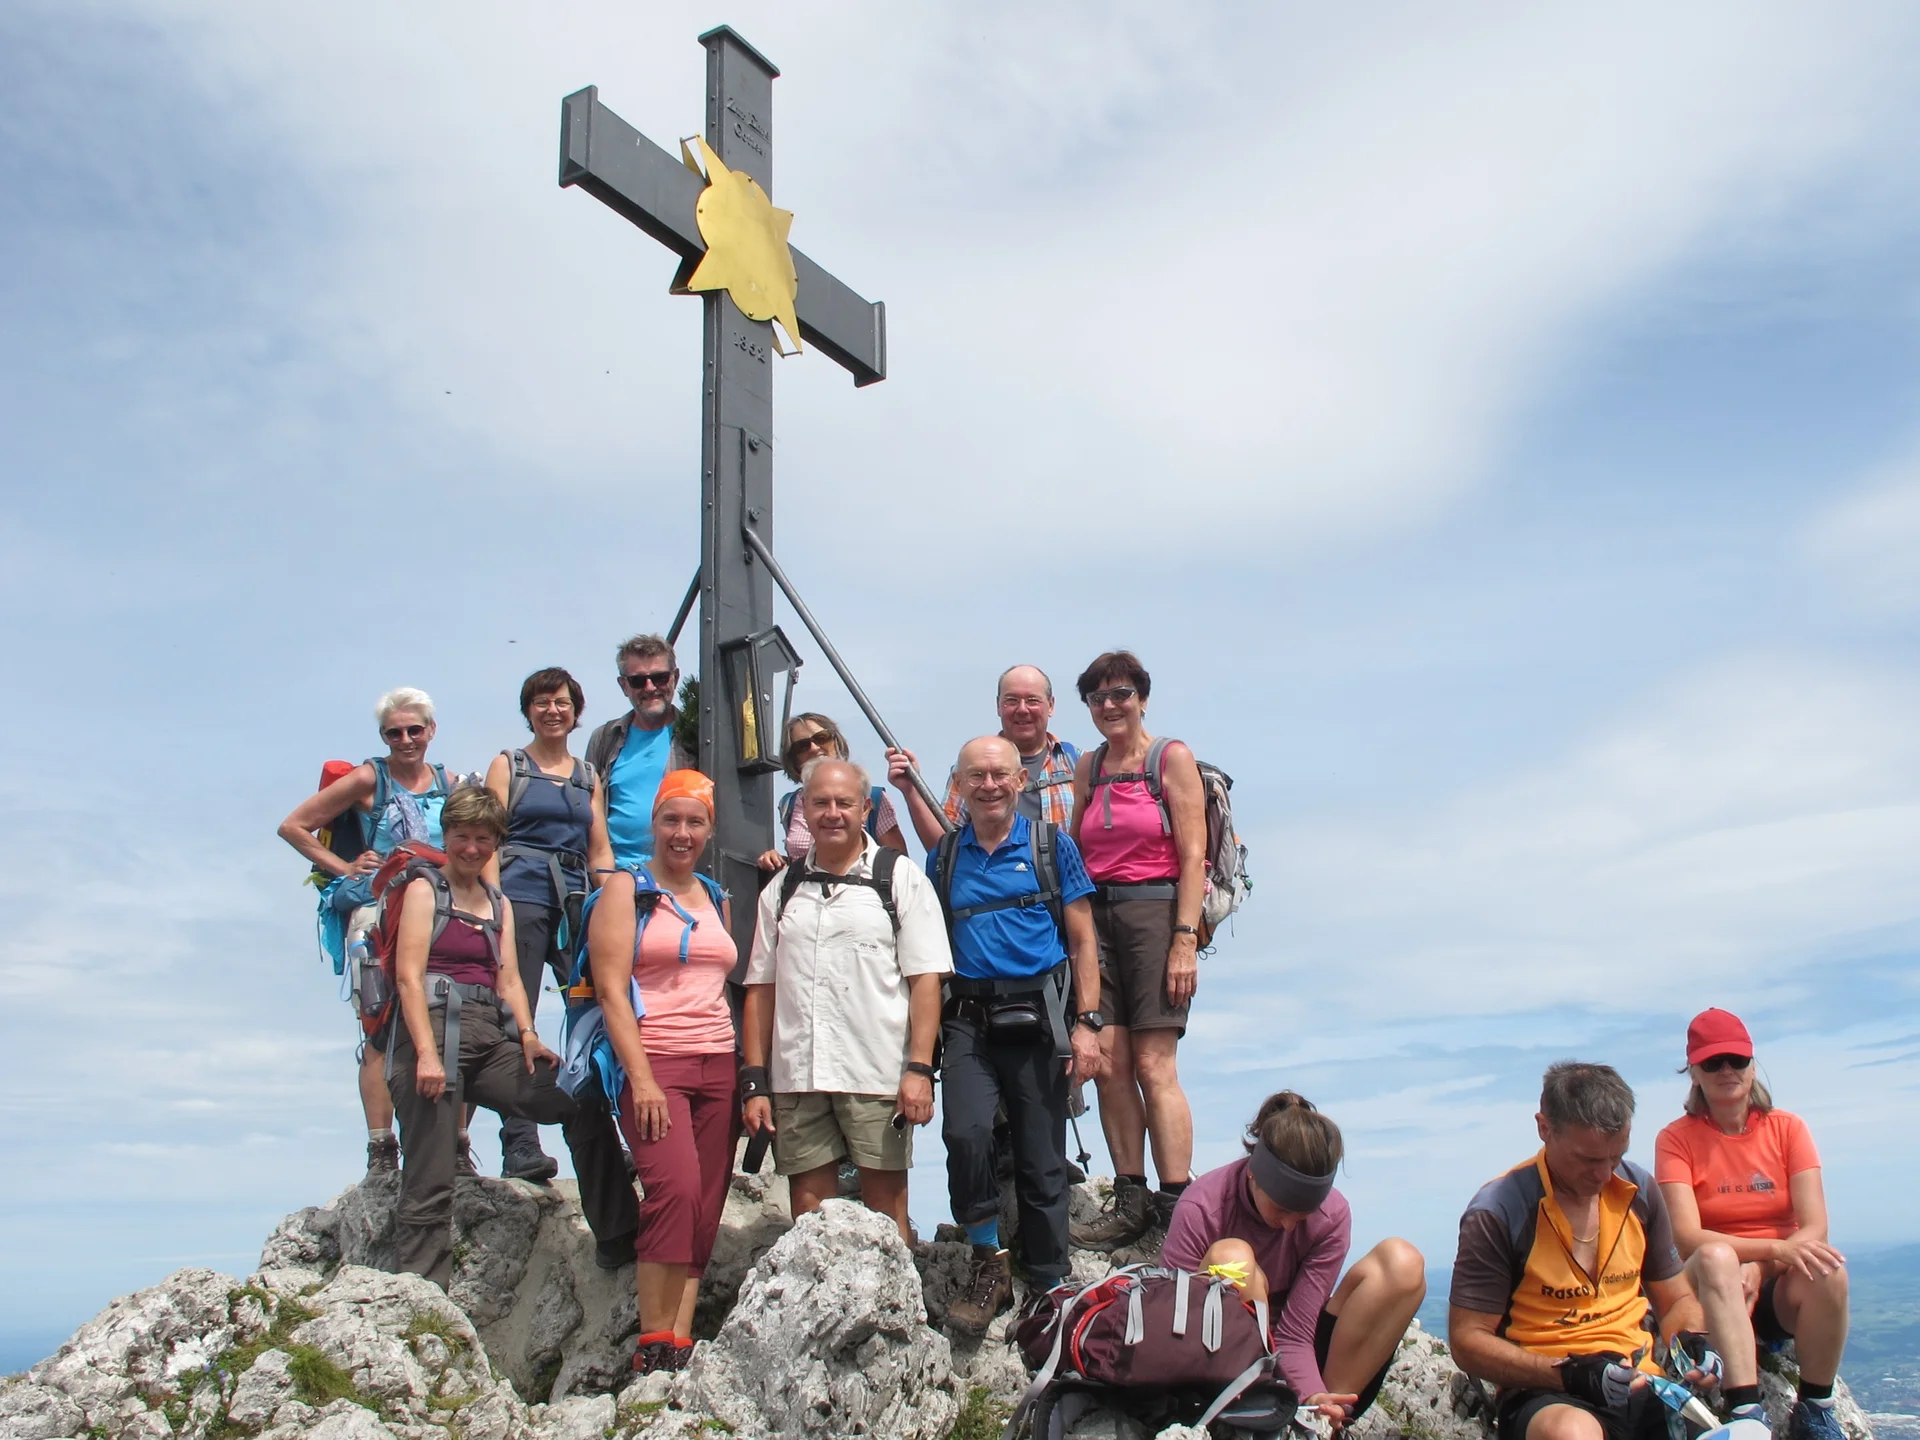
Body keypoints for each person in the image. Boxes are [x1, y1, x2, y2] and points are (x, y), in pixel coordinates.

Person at [1450, 1062, 1742, 1440]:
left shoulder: (1639, 1191)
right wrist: (1566, 1374)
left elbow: (1675, 1300)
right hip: (1548, 1391)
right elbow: (1467, 1340)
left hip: (1643, 1383)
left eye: (1616, 1156)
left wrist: (1691, 1339)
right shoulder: (1500, 1209)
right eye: (1588, 1159)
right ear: (1544, 1128)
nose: (1604, 1175)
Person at [930, 736, 1106, 1335]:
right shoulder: (945, 857)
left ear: (1021, 782)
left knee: (1040, 1155)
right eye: (975, 775)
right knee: (967, 1132)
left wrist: (1088, 1024)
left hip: (1040, 1017)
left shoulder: (1052, 847)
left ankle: (1050, 1282)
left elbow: (1083, 940)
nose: (988, 785)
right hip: (968, 1021)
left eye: (1000, 774)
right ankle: (988, 1262)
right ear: (958, 785)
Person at [741, 758, 952, 1244]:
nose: (831, 814)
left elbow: (926, 981)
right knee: (809, 1218)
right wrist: (755, 1080)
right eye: (819, 803)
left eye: (843, 803)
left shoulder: (898, 878)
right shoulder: (782, 888)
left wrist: (919, 1071)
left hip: (876, 1072)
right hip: (799, 1073)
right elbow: (761, 988)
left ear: (864, 809)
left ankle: (894, 1315)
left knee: (886, 1215)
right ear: (802, 809)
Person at [384, 786, 580, 1290]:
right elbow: (408, 976)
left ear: (496, 843)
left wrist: (530, 1037)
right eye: (462, 837)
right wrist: (426, 1054)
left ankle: (612, 1220)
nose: (472, 848)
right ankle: (422, 1296)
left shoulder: (498, 902)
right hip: (431, 1030)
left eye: (483, 839)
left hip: (489, 1033)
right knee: (430, 1174)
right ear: (446, 836)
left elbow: (510, 978)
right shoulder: (426, 889)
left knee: (568, 1099)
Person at [587, 771, 739, 1376]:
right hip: (656, 1062)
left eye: (694, 821)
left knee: (704, 1202)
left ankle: (680, 1338)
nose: (682, 833)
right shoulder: (627, 889)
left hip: (718, 1060)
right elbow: (609, 990)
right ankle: (652, 1343)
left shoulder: (716, 894)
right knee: (672, 1190)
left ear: (709, 828)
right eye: (671, 820)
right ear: (653, 823)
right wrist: (642, 1078)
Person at [1163, 1092, 1426, 1433]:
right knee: (1234, 1258)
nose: (1289, 1226)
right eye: (1282, 1209)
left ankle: (1322, 1424)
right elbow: (1171, 1317)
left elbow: (1296, 1332)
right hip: (1219, 1360)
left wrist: (1315, 1396)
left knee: (1401, 1263)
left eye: (1303, 1216)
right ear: (1254, 1175)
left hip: (1297, 1358)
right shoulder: (1203, 1206)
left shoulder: (1331, 1216)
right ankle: (1254, 1416)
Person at [277, 687, 454, 1176]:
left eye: (414, 730)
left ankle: (453, 1147)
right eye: (394, 732)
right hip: (377, 914)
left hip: (439, 912)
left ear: (431, 731)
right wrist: (346, 868)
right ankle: (382, 1149)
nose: (405, 740)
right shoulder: (368, 778)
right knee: (378, 1028)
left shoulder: (449, 783)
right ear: (383, 736)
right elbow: (294, 826)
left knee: (454, 1027)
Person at [1065, 650, 1208, 1251]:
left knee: (1155, 1066)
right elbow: (1074, 850)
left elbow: (1194, 854)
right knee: (1110, 1064)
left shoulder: (1170, 759)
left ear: (1142, 697)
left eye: (1120, 693)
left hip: (1155, 913)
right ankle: (1130, 1196)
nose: (1110, 705)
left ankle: (1175, 1203)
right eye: (1098, 697)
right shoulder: (1089, 768)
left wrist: (1184, 940)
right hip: (1097, 916)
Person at [1656, 1009, 1849, 1440]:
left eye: (1736, 1060)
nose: (1727, 1071)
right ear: (1694, 1074)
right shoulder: (1676, 1139)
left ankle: (1816, 1409)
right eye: (1712, 1063)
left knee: (1829, 1271)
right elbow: (1687, 1237)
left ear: (1752, 1065)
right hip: (1709, 1284)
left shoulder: (1788, 1129)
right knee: (1716, 1256)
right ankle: (1745, 1411)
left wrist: (1762, 1267)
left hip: (1772, 1285)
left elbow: (1815, 1225)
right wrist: (1774, 1250)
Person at [483, 667, 615, 1182]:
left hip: (577, 902)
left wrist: (613, 900)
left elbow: (598, 846)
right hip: (520, 895)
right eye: (541, 702)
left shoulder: (586, 775)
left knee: (590, 1013)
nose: (552, 710)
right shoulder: (508, 765)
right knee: (517, 1016)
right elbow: (488, 836)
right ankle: (520, 1142)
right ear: (528, 711)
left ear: (576, 711)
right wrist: (493, 905)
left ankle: (598, 1140)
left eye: (561, 702)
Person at [886, 664, 1079, 849]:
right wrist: (912, 791)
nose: (1022, 709)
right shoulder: (970, 767)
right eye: (1011, 700)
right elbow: (943, 846)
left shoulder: (1080, 763)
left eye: (1032, 700)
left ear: (1051, 705)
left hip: (1064, 882)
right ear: (998, 706)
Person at [586, 635, 697, 869]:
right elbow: (589, 813)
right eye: (638, 681)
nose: (650, 687)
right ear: (623, 685)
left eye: (659, 677)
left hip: (676, 876)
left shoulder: (696, 734)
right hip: (613, 876)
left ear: (675, 678)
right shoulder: (605, 738)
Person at [755, 713, 909, 872]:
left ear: (836, 742)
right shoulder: (789, 804)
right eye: (802, 746)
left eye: (822, 738)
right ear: (794, 759)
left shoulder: (873, 798)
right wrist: (776, 860)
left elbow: (898, 864)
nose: (814, 748)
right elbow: (800, 860)